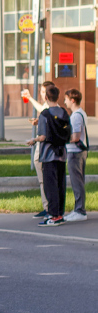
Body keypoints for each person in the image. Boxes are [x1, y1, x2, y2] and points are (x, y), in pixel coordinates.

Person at [30, 84, 70, 226]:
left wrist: (33, 140)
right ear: (58, 97)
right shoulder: (64, 113)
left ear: (46, 98)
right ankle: (60, 213)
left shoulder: (45, 115)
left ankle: (53, 215)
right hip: (62, 153)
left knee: (50, 185)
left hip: (48, 154)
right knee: (60, 184)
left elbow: (42, 136)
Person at [64, 88, 88, 222]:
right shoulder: (80, 113)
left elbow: (76, 137)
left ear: (72, 100)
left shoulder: (76, 115)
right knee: (78, 181)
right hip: (77, 152)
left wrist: (63, 139)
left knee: (77, 182)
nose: (65, 102)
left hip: (75, 153)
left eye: (66, 99)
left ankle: (80, 211)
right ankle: (78, 209)